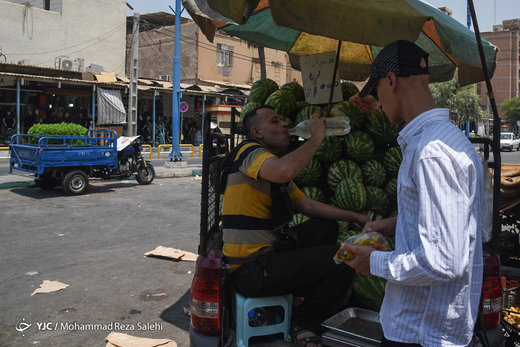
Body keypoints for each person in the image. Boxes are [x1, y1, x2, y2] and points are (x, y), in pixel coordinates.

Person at [343, 40, 484, 346]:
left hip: (420, 333)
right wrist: (394, 223)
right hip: (423, 328)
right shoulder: (446, 140)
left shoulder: (431, 153)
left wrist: (374, 263)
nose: (378, 103)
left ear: (390, 80)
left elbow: (445, 260)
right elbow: (454, 226)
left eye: (377, 91)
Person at [222, 105, 369, 347]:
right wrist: (318, 136)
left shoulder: (269, 167)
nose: (284, 125)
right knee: (347, 257)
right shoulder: (250, 152)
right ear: (257, 132)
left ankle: (304, 294)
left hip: (268, 254)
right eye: (275, 120)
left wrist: (357, 218)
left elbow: (308, 206)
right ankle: (306, 324)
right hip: (251, 269)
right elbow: (285, 170)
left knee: (326, 227)